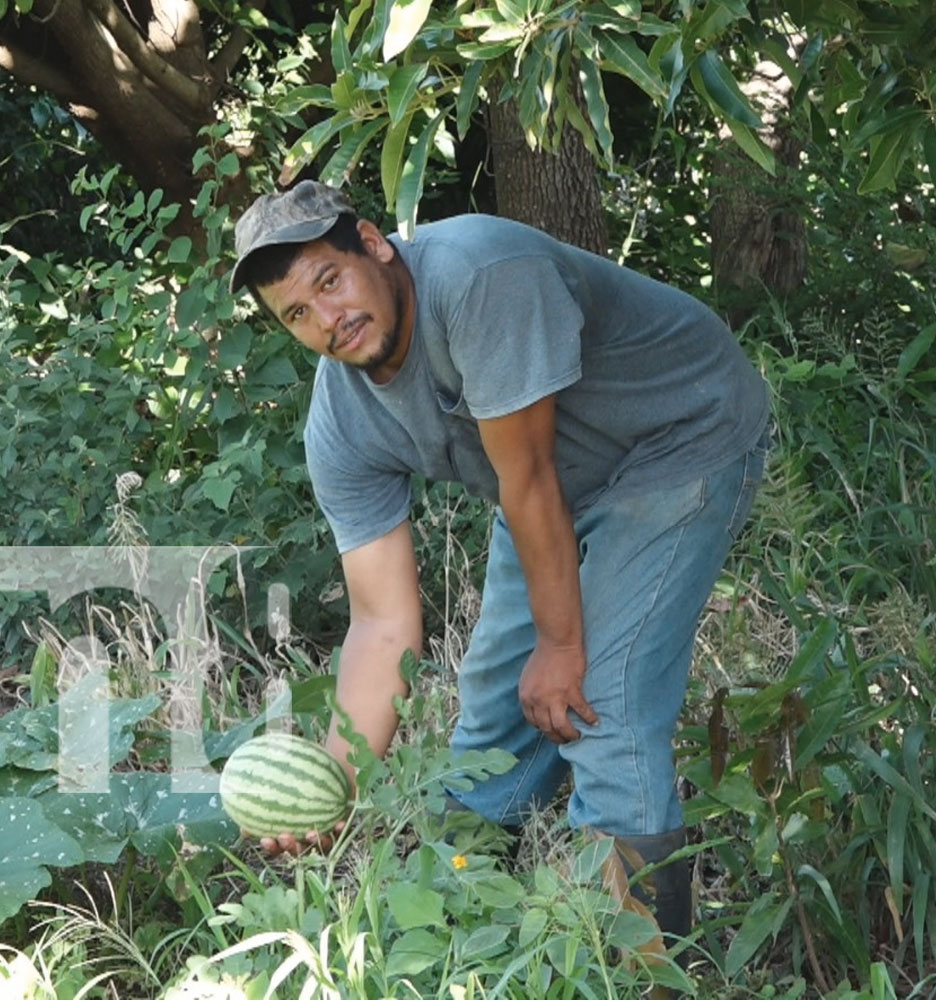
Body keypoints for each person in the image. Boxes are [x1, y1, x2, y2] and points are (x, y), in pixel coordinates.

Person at [227, 180, 771, 943]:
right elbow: (383, 623)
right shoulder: (341, 423)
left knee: (599, 701)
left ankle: (641, 975)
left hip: (679, 437)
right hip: (548, 484)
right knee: (491, 719)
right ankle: (455, 941)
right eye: (297, 314)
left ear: (376, 243)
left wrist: (560, 644)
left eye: (330, 279)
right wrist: (332, 786)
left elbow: (529, 478)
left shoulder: (481, 276)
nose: (329, 319)